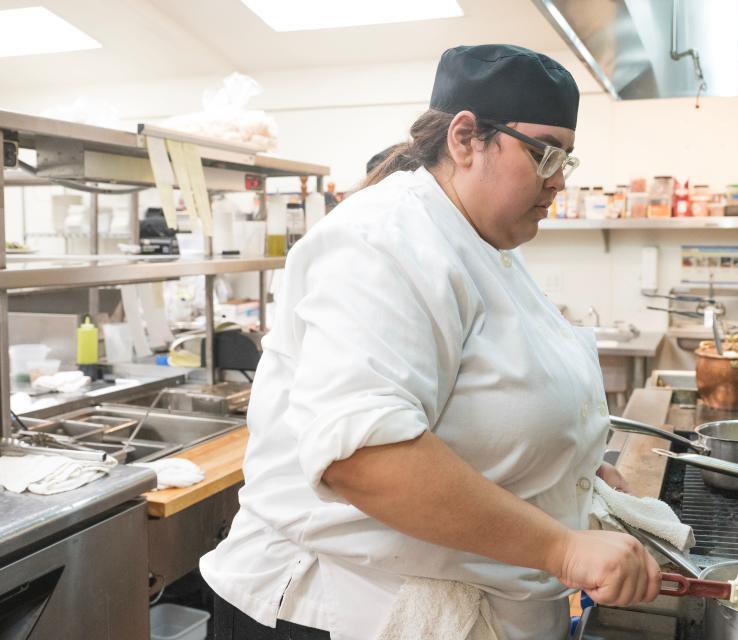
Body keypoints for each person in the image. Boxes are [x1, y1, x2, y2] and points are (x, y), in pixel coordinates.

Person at [200, 44, 661, 640]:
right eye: (545, 155)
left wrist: (571, 464)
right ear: (466, 138)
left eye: (565, 162)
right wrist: (564, 549)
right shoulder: (381, 241)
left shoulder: (483, 243)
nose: (557, 183)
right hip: (338, 611)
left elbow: (488, 398)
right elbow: (363, 458)